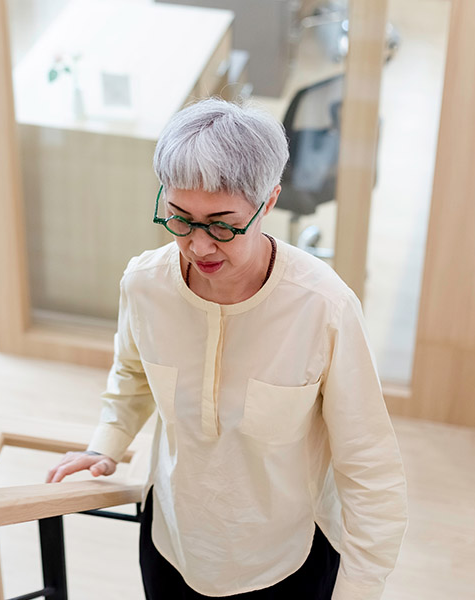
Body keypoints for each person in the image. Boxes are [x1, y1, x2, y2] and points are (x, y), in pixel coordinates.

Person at [46, 98, 408, 600]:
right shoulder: (145, 284)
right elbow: (132, 374)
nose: (199, 246)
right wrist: (104, 444)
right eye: (179, 218)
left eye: (222, 224)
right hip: (172, 548)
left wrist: (359, 589)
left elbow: (370, 465)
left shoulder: (324, 308)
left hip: (288, 563)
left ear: (270, 201)